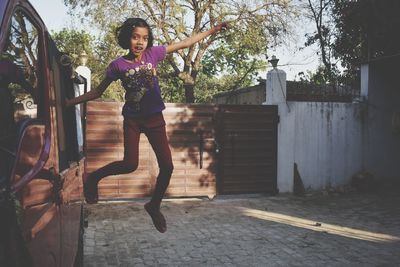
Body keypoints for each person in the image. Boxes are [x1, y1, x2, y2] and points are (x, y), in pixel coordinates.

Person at [65, 18, 227, 233]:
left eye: (145, 38)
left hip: (154, 119)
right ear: (127, 39)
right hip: (132, 119)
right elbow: (98, 91)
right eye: (135, 37)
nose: (140, 42)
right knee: (130, 164)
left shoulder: (154, 54)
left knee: (168, 167)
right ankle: (93, 177)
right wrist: (70, 102)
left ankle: (154, 205)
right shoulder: (117, 65)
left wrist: (213, 30)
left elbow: (186, 43)